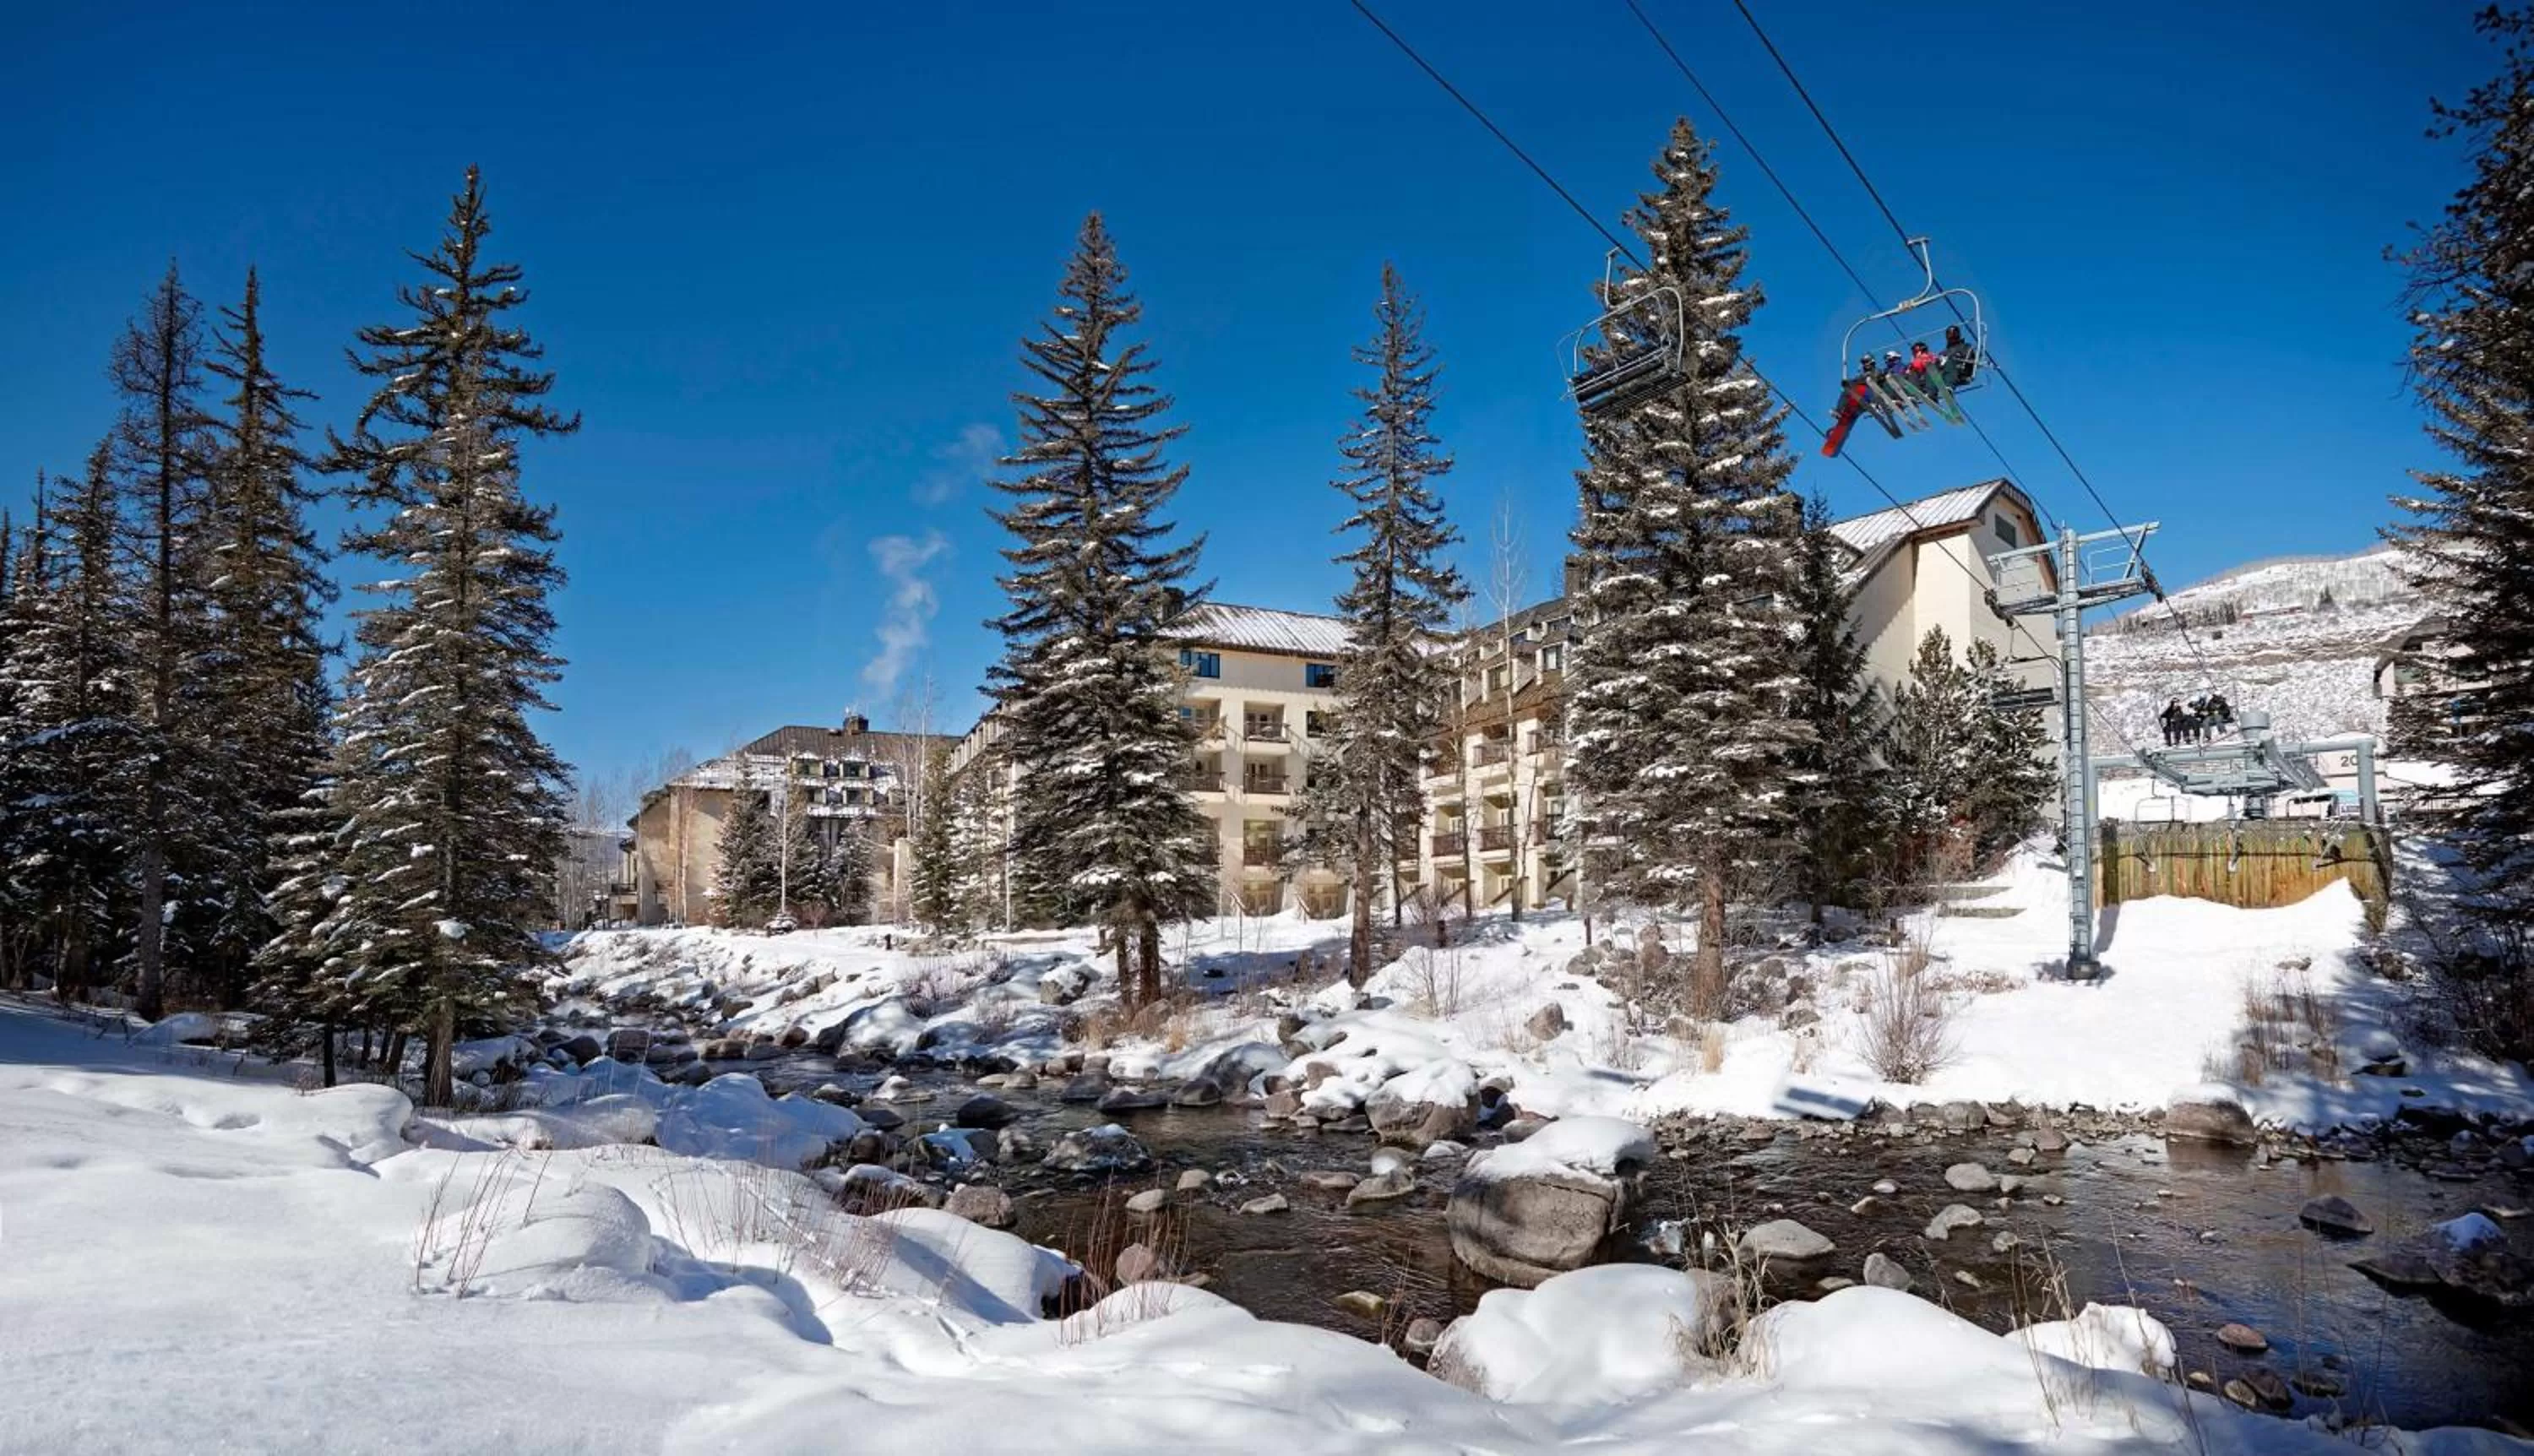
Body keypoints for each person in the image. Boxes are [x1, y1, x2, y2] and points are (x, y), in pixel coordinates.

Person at [1939, 323, 1978, 388]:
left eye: (1953, 334)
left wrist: (1956, 358)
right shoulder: (1944, 352)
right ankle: (1925, 390)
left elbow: (1970, 359)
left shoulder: (1965, 346)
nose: (1951, 336)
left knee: (1949, 363)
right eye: (1949, 334)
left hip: (1960, 371)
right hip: (1944, 371)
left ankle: (1949, 387)